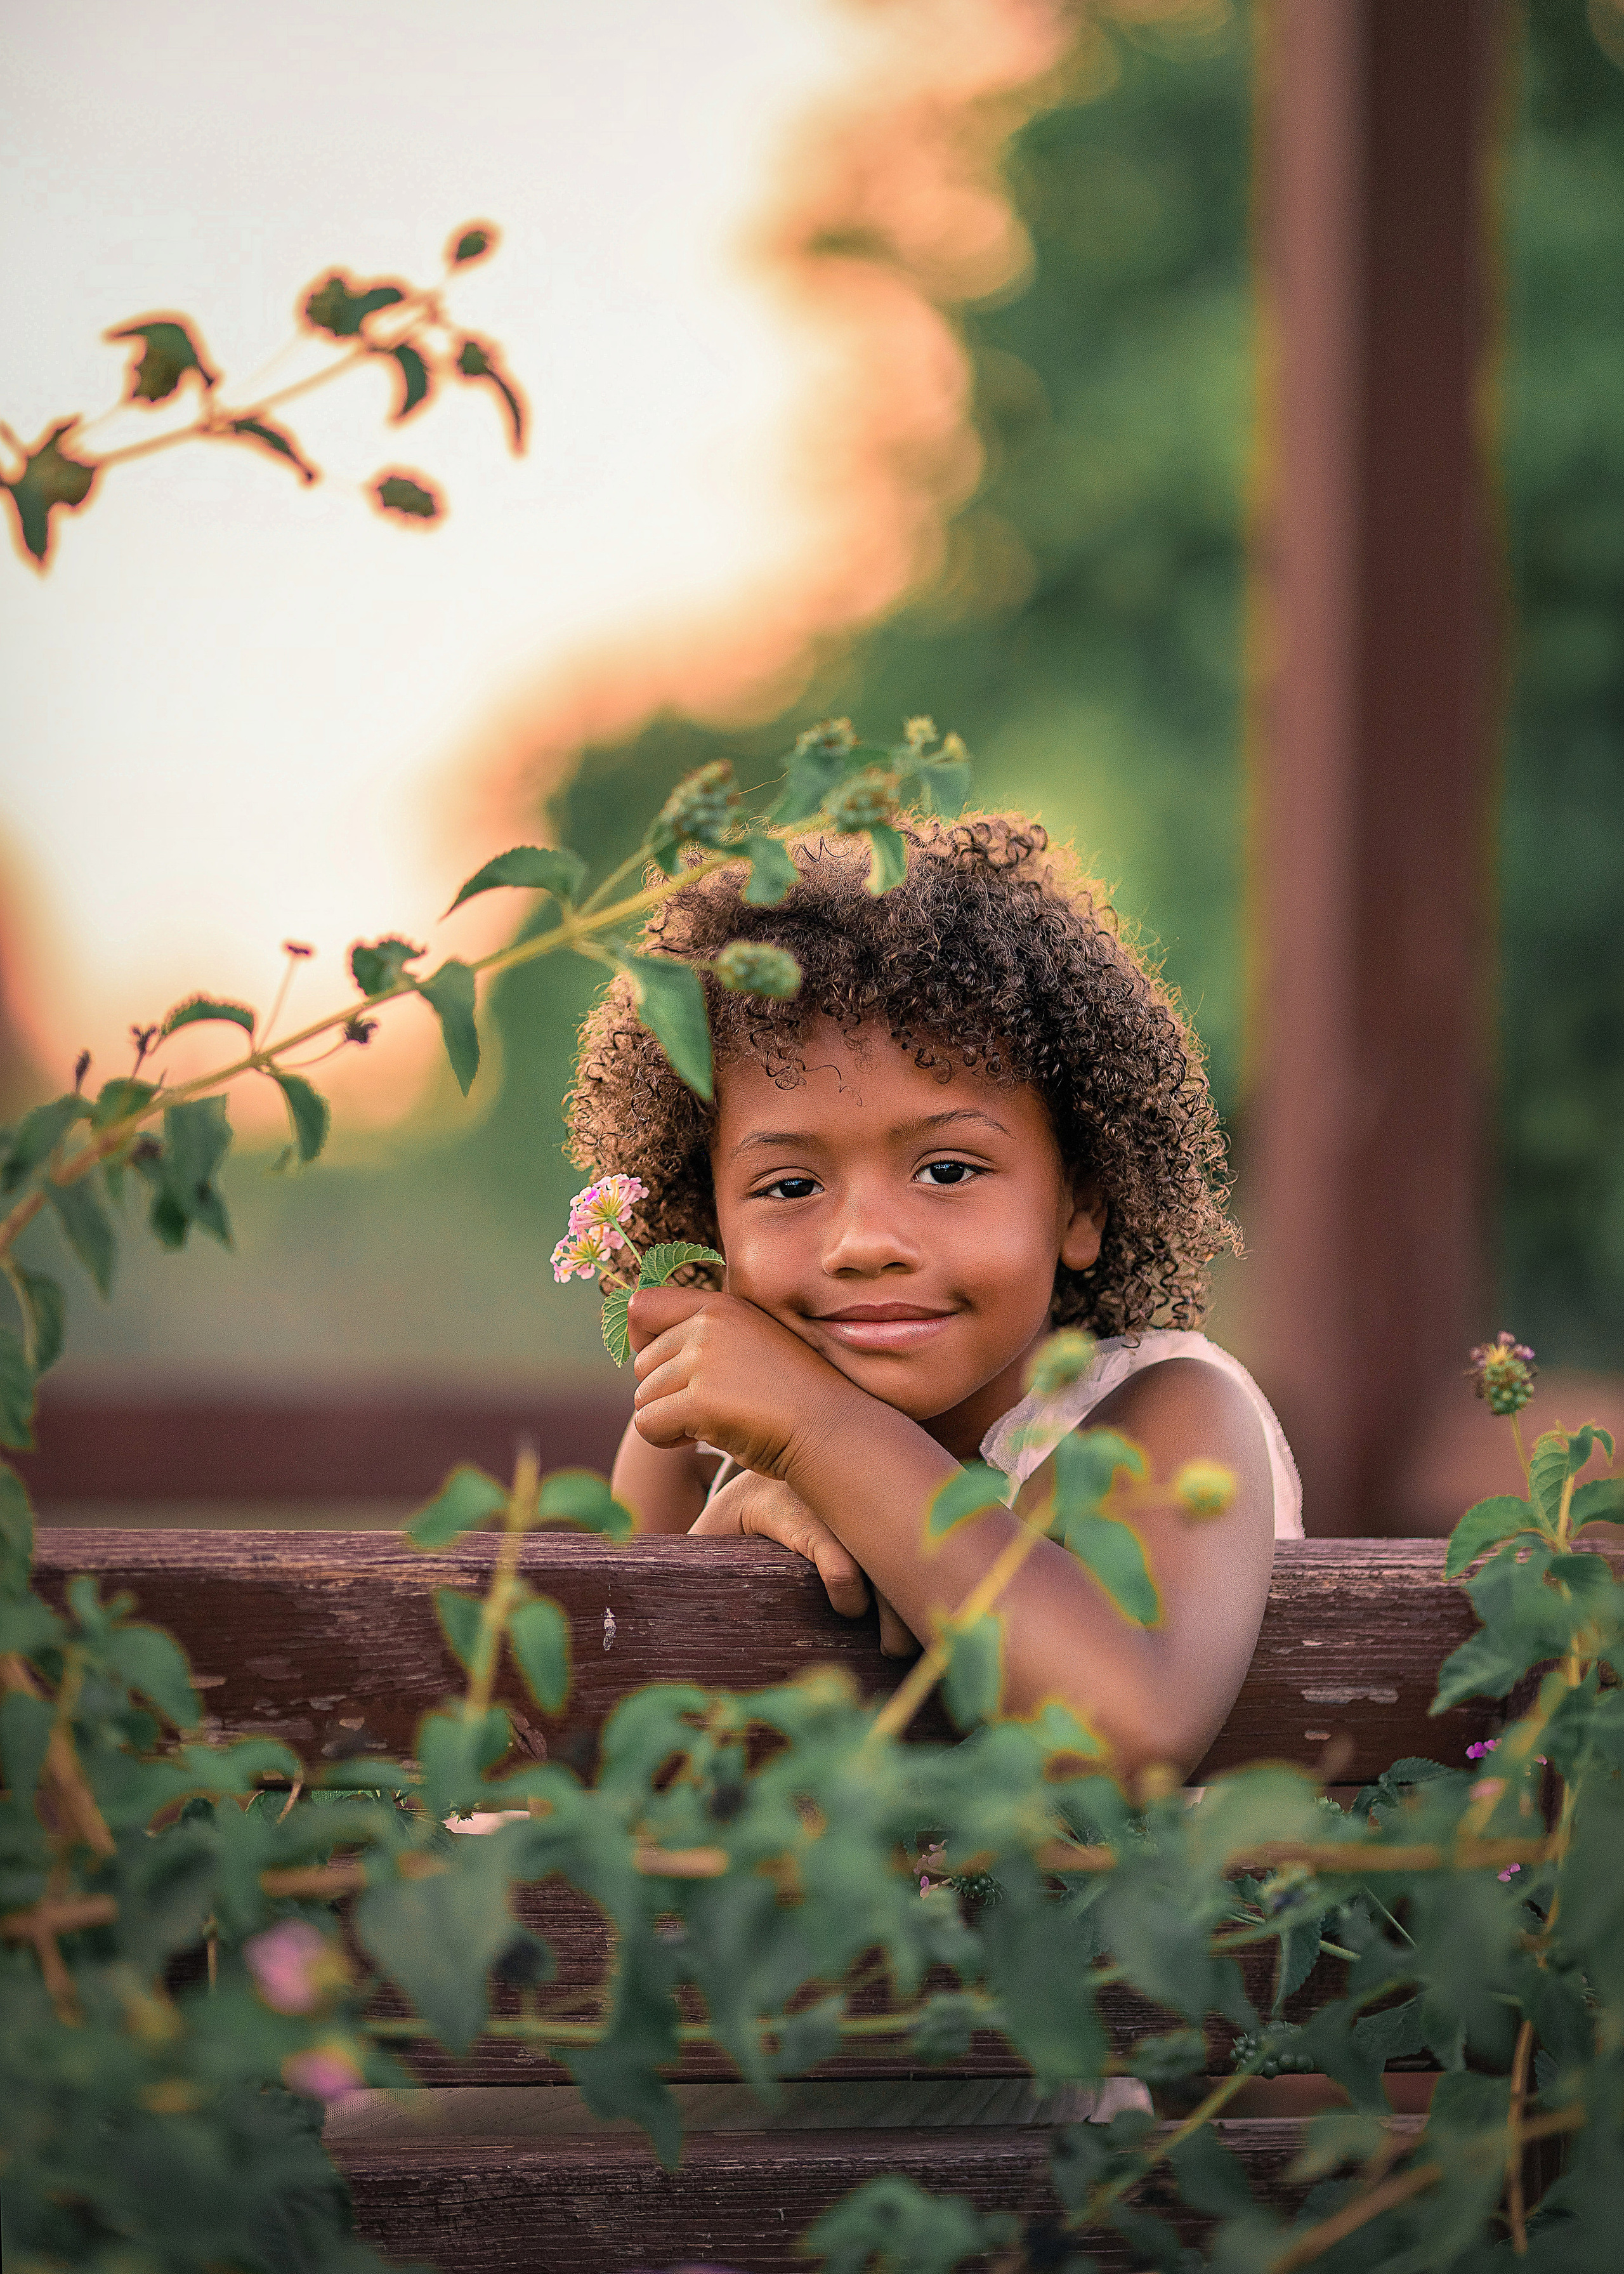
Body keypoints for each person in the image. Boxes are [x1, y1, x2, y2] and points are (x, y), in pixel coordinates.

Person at [568, 813, 1300, 1781]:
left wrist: (819, 1434)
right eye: (790, 1188)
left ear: (1081, 1200)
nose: (866, 1242)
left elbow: (1131, 1733)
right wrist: (720, 1544)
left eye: (948, 1171)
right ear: (710, 1225)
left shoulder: (1173, 1414)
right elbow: (602, 1790)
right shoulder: (689, 1441)